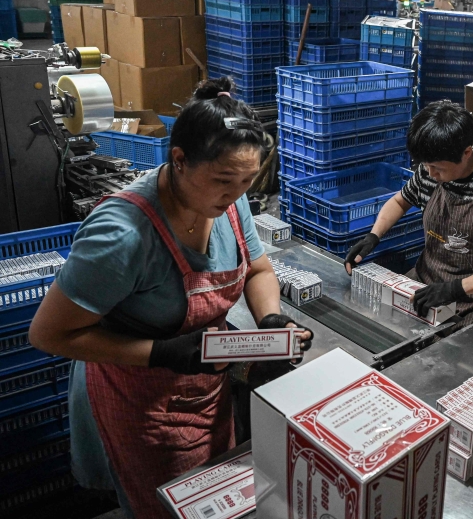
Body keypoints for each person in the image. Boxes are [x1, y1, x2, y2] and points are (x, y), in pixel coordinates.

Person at [28, 78, 313, 519]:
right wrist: (162, 352)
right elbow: (49, 334)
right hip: (142, 404)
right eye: (224, 180)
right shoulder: (121, 235)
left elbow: (258, 269)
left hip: (204, 386)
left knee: (213, 497)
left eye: (247, 180)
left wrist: (272, 321)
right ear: (179, 160)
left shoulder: (228, 202)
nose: (237, 193)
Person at [344, 101, 473, 317]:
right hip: (424, 285)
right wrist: (373, 236)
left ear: (466, 153)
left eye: (437, 167)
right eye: (425, 165)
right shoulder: (427, 172)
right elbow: (400, 201)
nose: (430, 174)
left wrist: (456, 288)